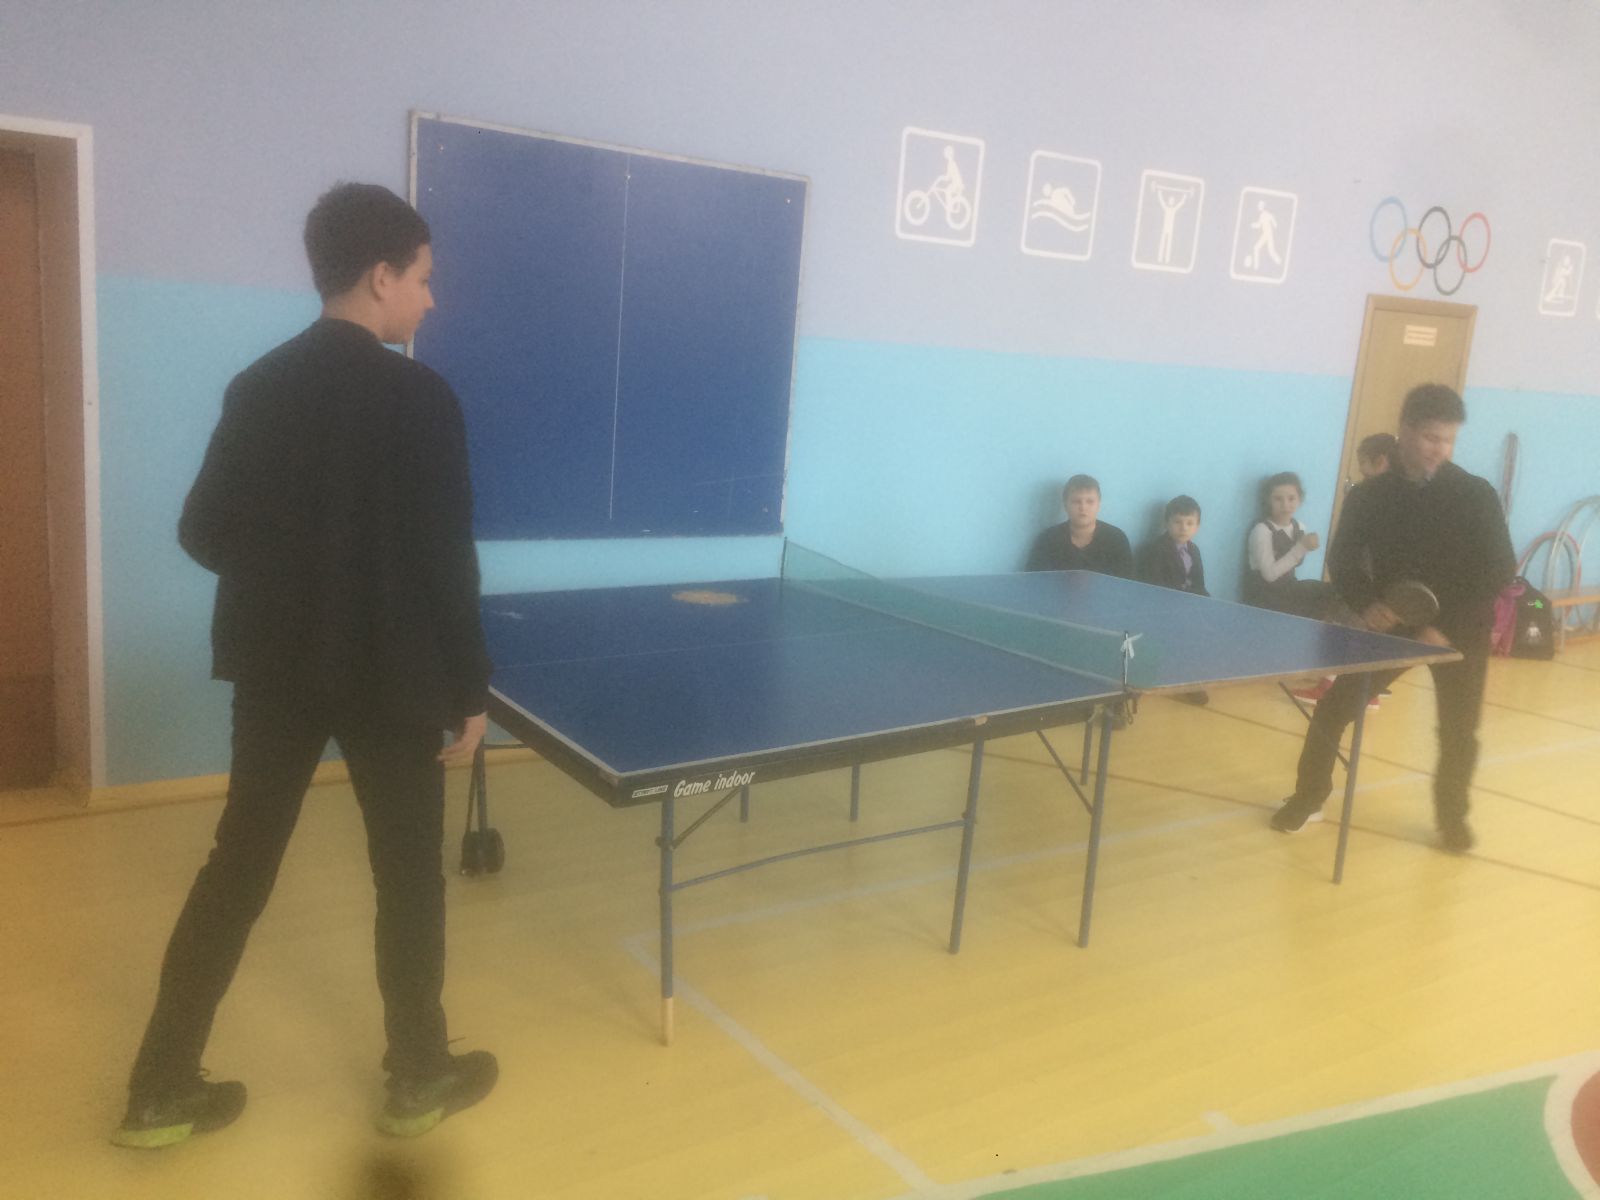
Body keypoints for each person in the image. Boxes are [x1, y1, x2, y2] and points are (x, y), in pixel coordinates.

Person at [113, 183, 497, 1149]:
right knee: (407, 875)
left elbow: (202, 530)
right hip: (395, 676)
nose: (431, 298)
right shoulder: (422, 398)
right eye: (425, 278)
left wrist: (293, 573)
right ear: (381, 276)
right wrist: (471, 690)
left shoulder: (259, 385)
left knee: (237, 868)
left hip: (276, 670)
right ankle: (418, 1075)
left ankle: (158, 1088)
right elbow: (448, 562)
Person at [1270, 384, 1515, 853]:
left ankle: (1451, 821)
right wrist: (1366, 603)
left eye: (1448, 439)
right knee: (1333, 709)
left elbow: (1500, 568)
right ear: (1404, 430)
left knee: (1459, 730)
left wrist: (1445, 626)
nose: (1439, 449)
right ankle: (1308, 797)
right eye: (1430, 437)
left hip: (1460, 630)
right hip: (1394, 623)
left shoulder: (1475, 494)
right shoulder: (1370, 496)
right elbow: (1343, 558)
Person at [1137, 495, 1210, 704]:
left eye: (1189, 523)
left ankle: (1191, 680)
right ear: (1167, 523)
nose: (1183, 528)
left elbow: (1199, 584)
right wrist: (1181, 604)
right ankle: (1181, 680)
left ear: (1197, 526)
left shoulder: (1194, 550)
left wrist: (1207, 605)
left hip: (1189, 607)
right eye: (1178, 522)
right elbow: (1154, 585)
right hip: (1162, 608)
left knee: (1204, 628)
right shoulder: (1155, 549)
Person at [1242, 472, 1329, 616]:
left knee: (1328, 592)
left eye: (1291, 498)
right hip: (1263, 596)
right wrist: (1302, 547)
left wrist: (1309, 546)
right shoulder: (1262, 530)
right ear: (1268, 500)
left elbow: (1293, 563)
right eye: (1278, 499)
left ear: (1299, 500)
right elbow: (1269, 575)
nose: (1285, 505)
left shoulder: (1299, 527)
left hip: (1288, 588)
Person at [1025, 475, 1134, 577]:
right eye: (1076, 501)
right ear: (1065, 505)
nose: (1083, 507)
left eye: (1090, 501)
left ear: (1098, 505)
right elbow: (1034, 582)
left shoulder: (1116, 539)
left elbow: (1125, 584)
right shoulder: (1047, 539)